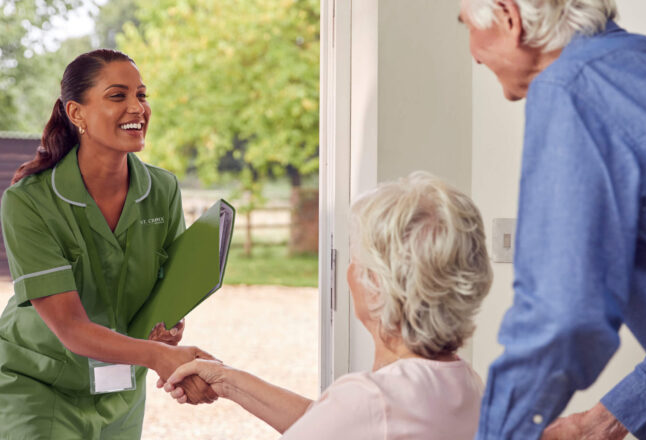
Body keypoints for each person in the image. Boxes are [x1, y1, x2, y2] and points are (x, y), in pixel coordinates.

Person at [457, 0, 646, 438]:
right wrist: (605, 421)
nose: (473, 54)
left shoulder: (569, 88)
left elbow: (561, 317)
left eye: (467, 28)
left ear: (508, 17)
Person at [160, 172, 493, 439]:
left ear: (377, 286)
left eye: (355, 258)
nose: (349, 271)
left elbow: (351, 418)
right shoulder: (466, 383)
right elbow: (334, 423)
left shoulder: (371, 399)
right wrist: (226, 380)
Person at [0, 49, 218, 439]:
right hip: (39, 384)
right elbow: (69, 326)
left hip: (119, 388)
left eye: (142, 95)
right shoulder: (28, 201)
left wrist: (165, 333)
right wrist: (160, 356)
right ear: (76, 113)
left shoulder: (162, 190)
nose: (138, 107)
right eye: (118, 96)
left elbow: (167, 290)